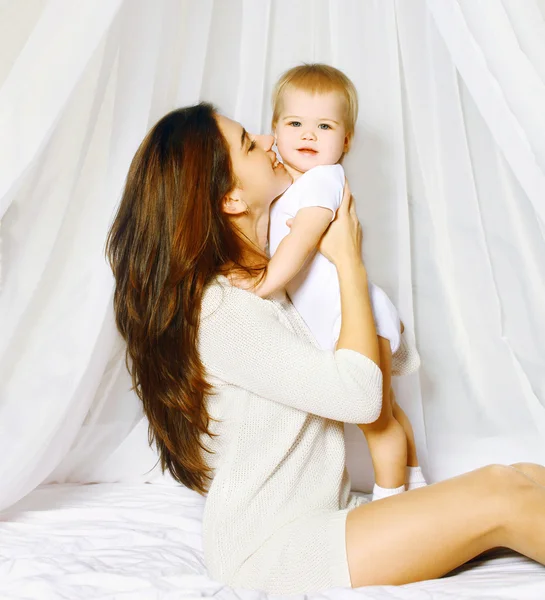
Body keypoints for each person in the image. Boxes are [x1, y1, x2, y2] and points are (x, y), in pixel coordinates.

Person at [106, 102, 545, 596]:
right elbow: (363, 397)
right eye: (250, 145)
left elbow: (390, 360)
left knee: (524, 474)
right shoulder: (222, 309)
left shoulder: (271, 282)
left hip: (323, 520)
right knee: (503, 494)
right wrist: (347, 259)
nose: (272, 142)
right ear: (229, 198)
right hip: (273, 553)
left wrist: (330, 264)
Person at [259, 63, 426, 500]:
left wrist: (264, 284)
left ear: (345, 140)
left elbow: (302, 242)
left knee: (375, 422)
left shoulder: (323, 181)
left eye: (324, 125)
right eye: (295, 123)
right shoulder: (286, 185)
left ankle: (392, 507)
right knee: (386, 408)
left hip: (356, 319)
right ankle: (416, 479)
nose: (308, 135)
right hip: (350, 318)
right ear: (275, 130)